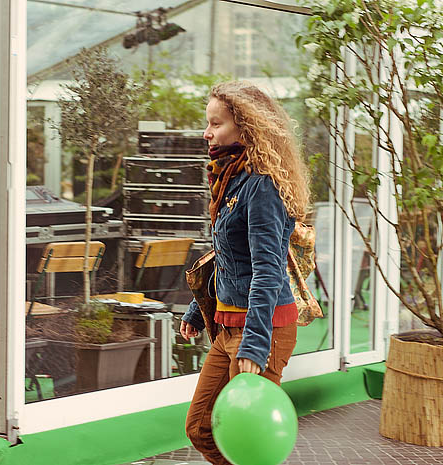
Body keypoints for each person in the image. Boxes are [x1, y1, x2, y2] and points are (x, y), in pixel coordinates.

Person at [180, 81, 310, 464]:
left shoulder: (263, 187)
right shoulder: (233, 179)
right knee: (201, 427)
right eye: (208, 123)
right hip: (227, 326)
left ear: (246, 127)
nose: (207, 133)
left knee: (251, 443)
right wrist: (195, 309)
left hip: (261, 329)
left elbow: (268, 270)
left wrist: (255, 345)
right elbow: (228, 255)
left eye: (216, 124)